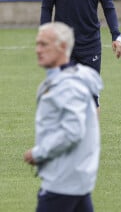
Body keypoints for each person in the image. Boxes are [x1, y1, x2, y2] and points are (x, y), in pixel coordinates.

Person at [24, 22, 103, 212]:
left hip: (62, 182)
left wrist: (38, 153)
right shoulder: (75, 77)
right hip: (77, 180)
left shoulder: (68, 86)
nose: (38, 50)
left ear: (63, 47)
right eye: (37, 44)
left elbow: (73, 131)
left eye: (44, 45)